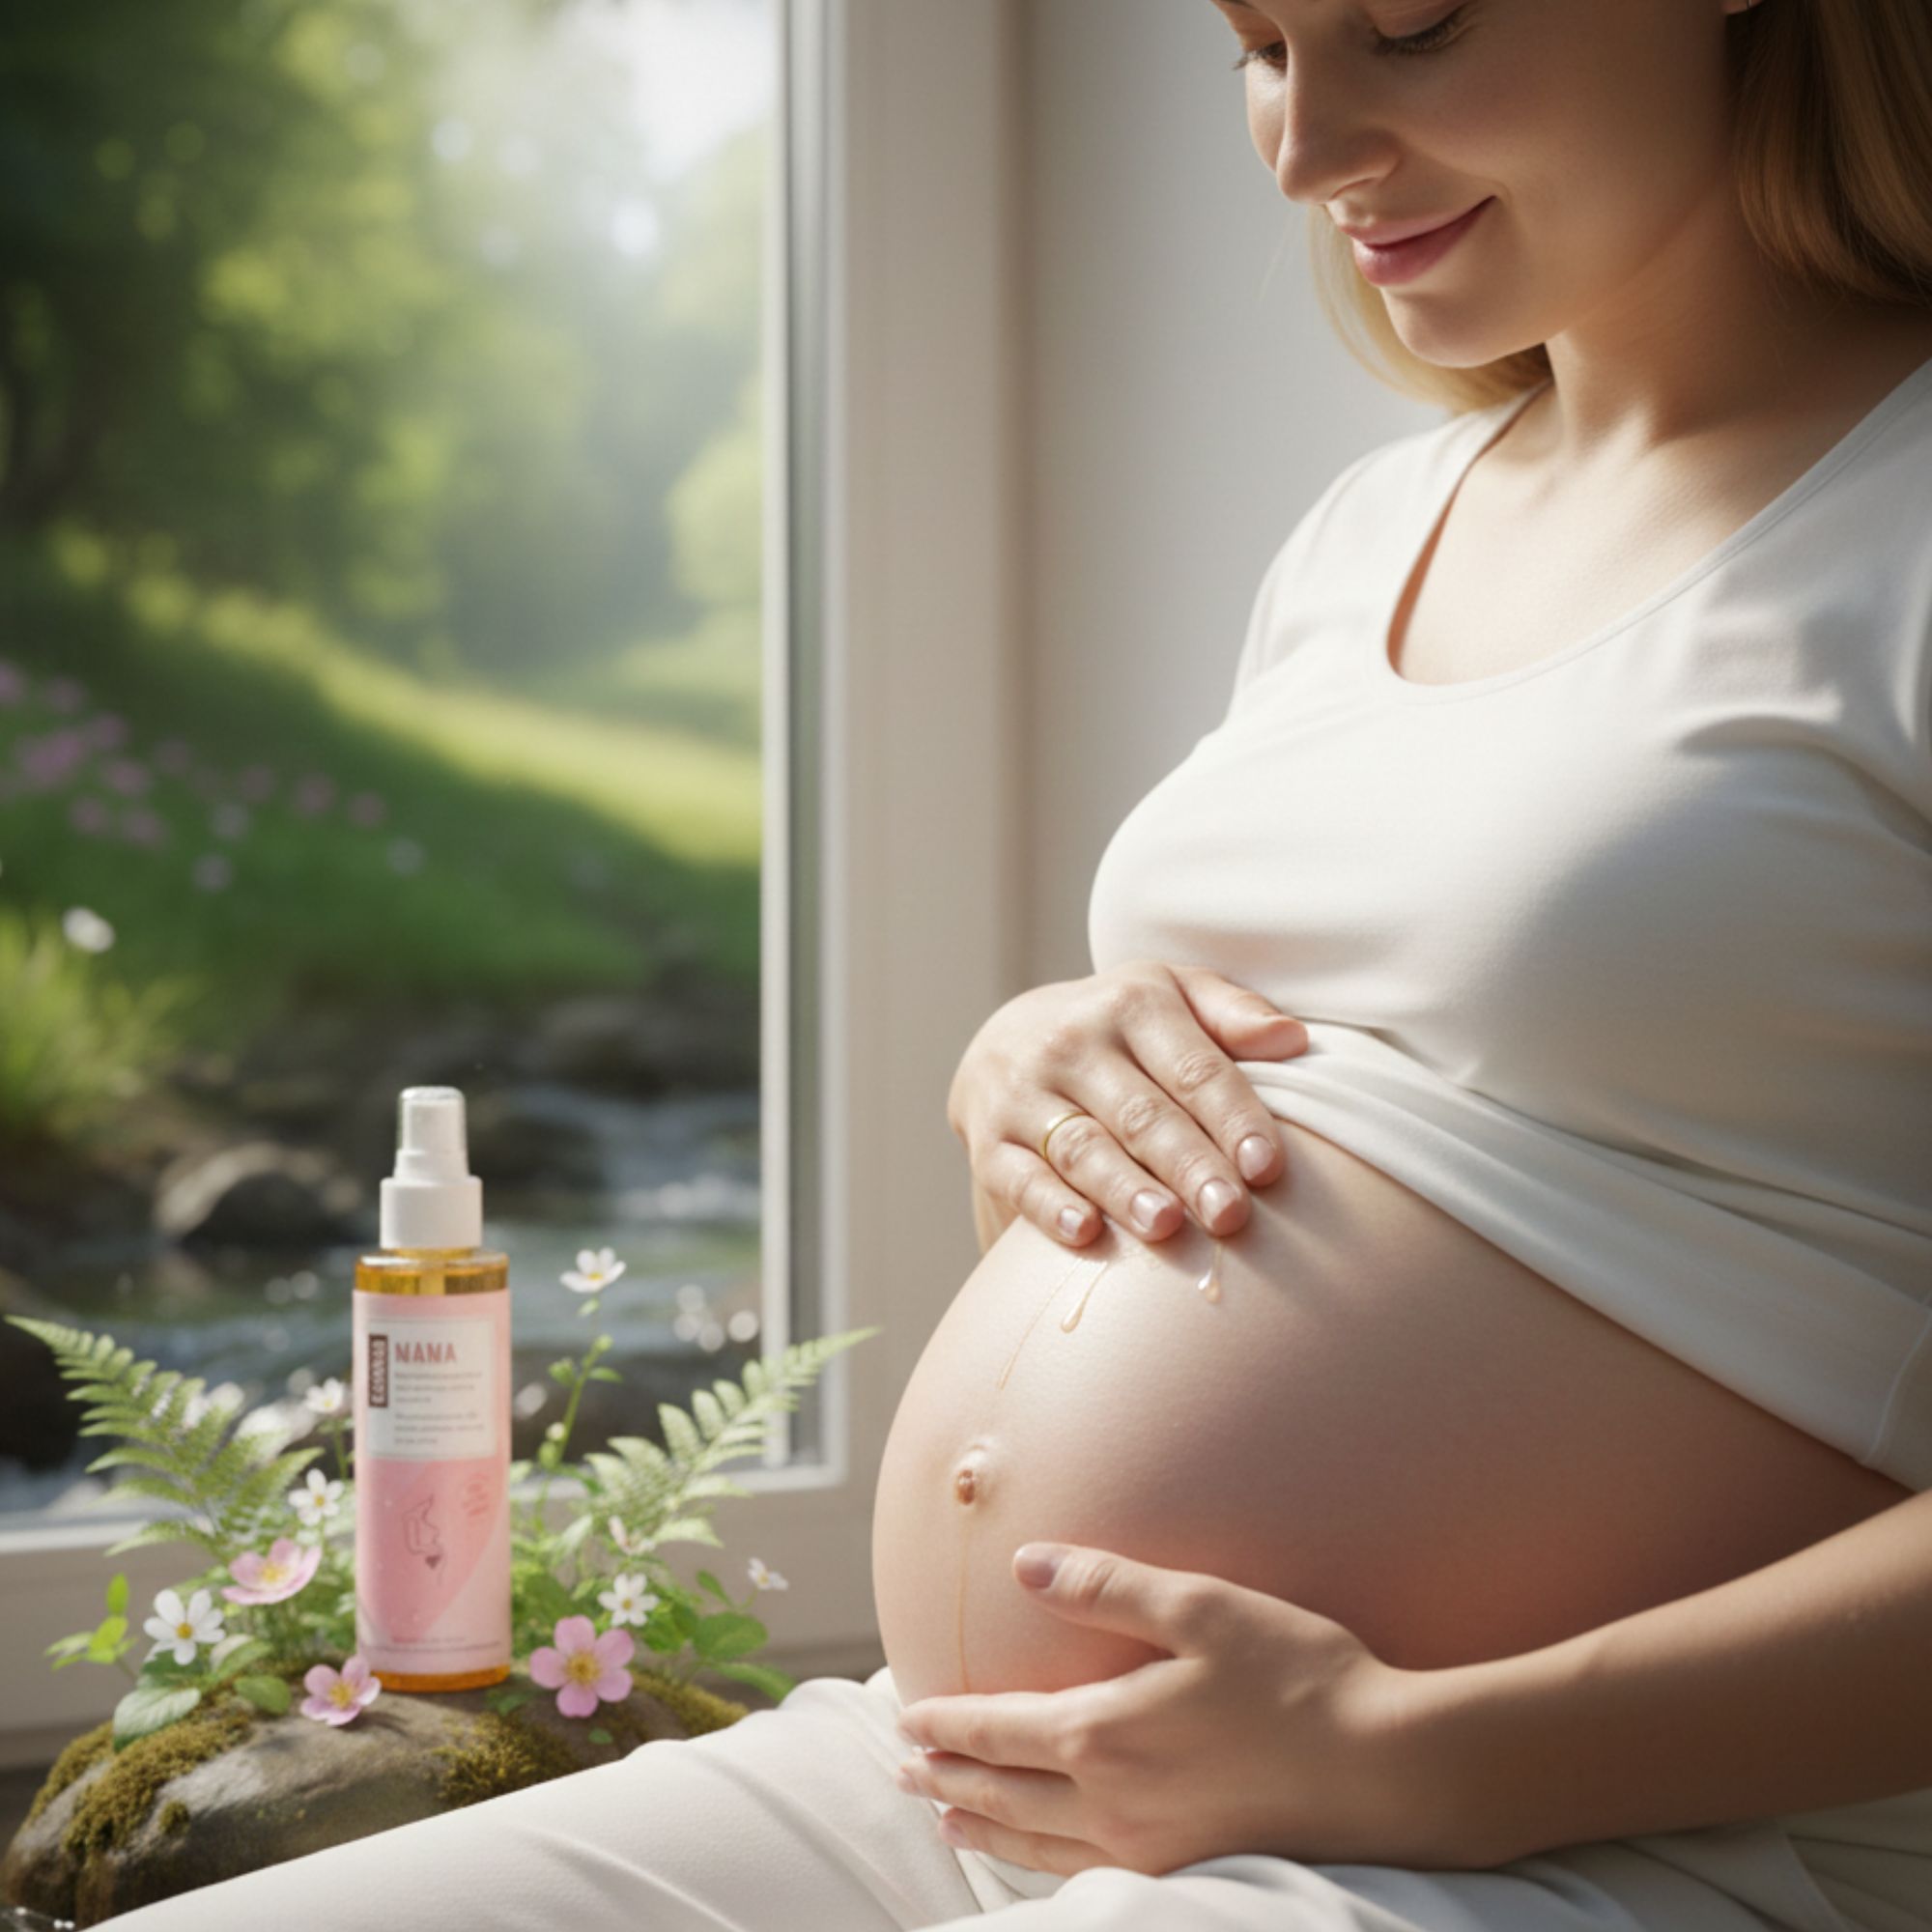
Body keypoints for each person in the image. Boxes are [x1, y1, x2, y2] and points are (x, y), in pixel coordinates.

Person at [105, 0, 1932, 1925]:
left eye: (1407, 24)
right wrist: (1035, 1092)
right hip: (963, 1774)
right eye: (1258, 43)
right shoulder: (1367, 533)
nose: (1305, 151)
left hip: (1596, 1837)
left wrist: (1422, 1752)